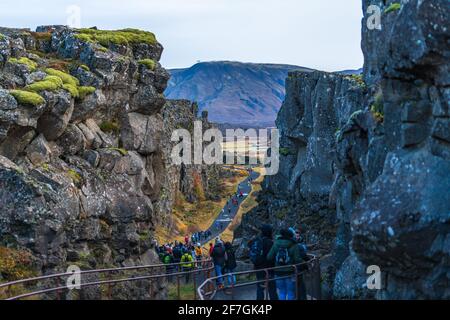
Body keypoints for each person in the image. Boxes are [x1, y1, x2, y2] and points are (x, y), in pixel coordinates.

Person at [267, 229, 304, 300]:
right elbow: (297, 260)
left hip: (278, 272)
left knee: (282, 292)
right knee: (291, 292)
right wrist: (305, 264)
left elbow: (269, 257)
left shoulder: (276, 243)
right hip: (290, 272)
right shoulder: (294, 244)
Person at [248, 224, 278, 300]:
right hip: (269, 269)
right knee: (272, 288)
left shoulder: (257, 241)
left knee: (260, 288)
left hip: (259, 268)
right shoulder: (270, 242)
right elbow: (272, 256)